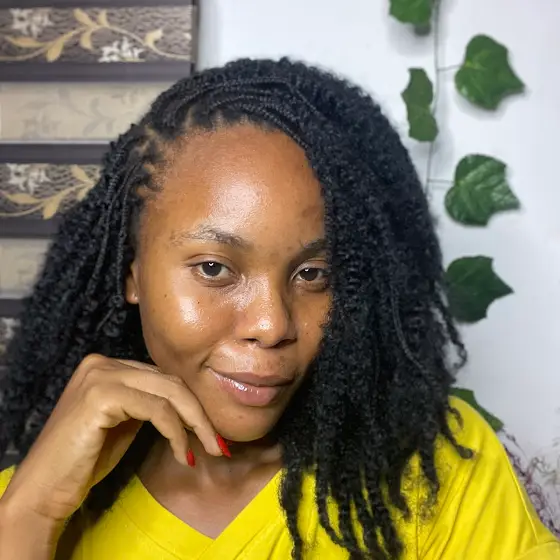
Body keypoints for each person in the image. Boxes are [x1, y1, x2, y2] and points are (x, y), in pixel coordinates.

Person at [0, 58, 557, 560]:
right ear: (131, 272)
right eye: (214, 268)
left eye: (312, 275)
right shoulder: (27, 501)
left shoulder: (437, 472)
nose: (271, 325)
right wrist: (29, 517)